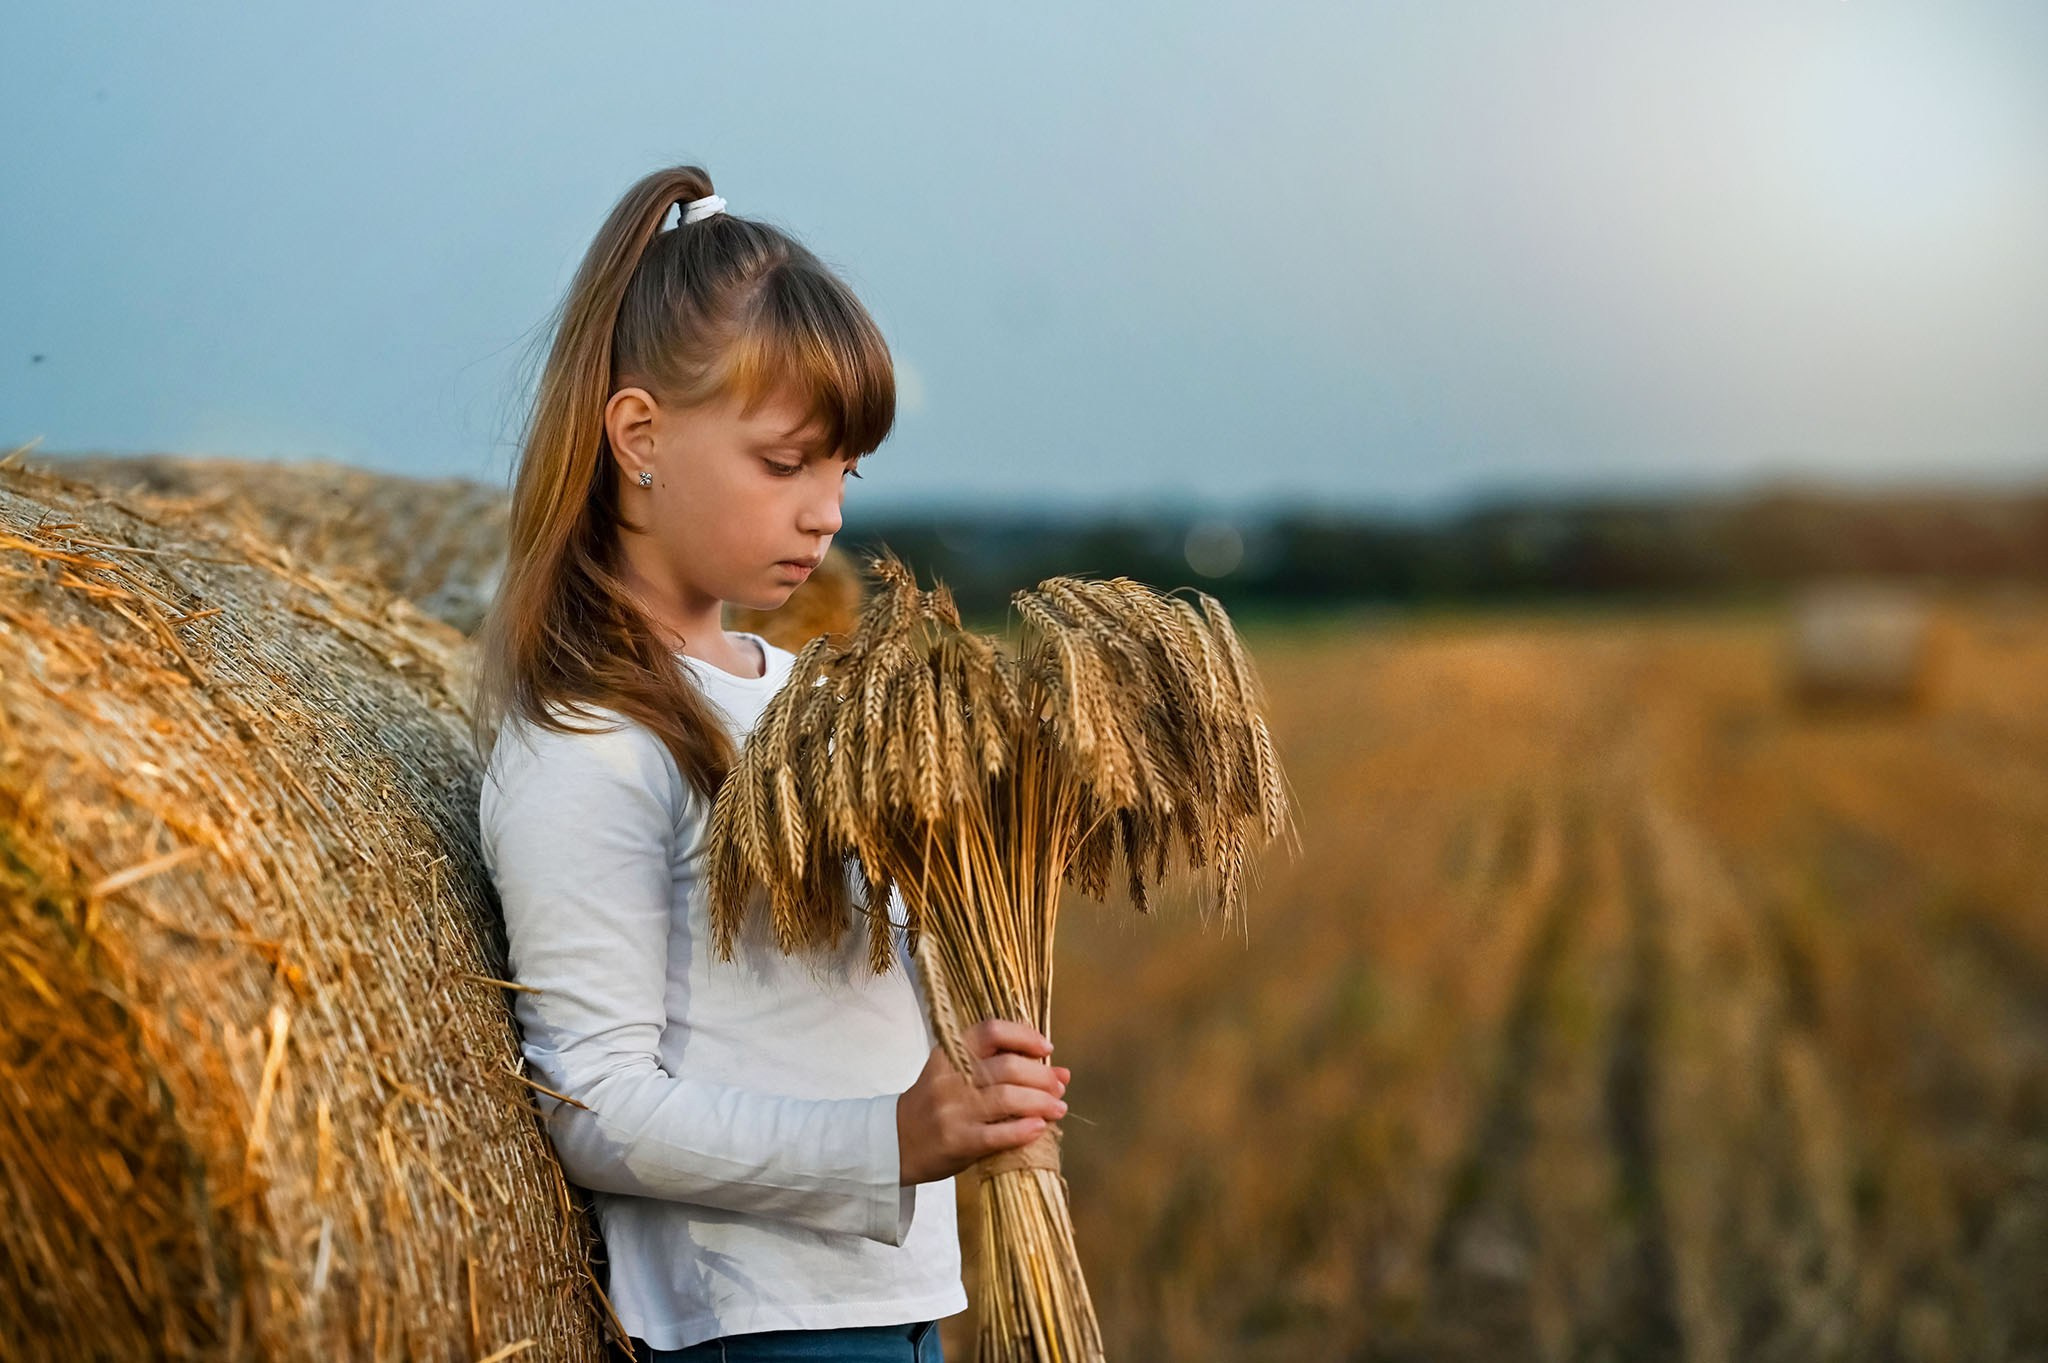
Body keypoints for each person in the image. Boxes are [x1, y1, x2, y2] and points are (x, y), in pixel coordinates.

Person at [472, 166, 1071, 1362]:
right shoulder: (590, 738)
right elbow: (591, 1103)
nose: (827, 514)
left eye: (844, 472)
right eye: (785, 463)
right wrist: (890, 1140)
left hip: (894, 1298)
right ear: (638, 436)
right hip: (758, 1324)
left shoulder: (803, 697)